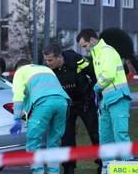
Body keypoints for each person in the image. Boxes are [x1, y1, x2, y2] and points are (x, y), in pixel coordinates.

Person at [76, 29, 132, 173]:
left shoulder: (106, 51)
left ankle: (129, 167)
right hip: (106, 99)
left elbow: (108, 75)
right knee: (105, 135)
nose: (85, 50)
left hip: (118, 97)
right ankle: (107, 168)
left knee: (120, 133)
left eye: (85, 46)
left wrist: (94, 87)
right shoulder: (97, 54)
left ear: (93, 41)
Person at [43, 46, 101, 174]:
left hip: (85, 101)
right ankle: (68, 168)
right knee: (66, 138)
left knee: (95, 133)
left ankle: (102, 164)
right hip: (67, 105)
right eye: (46, 60)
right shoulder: (48, 69)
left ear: (59, 57)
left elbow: (93, 73)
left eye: (50, 60)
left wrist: (94, 93)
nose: (47, 63)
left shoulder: (75, 58)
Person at [9, 59, 70, 174]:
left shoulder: (20, 72)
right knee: (54, 142)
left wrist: (17, 118)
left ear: (18, 68)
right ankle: (54, 172)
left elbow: (18, 97)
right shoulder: (46, 69)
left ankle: (38, 172)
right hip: (63, 102)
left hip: (44, 104)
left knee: (33, 142)